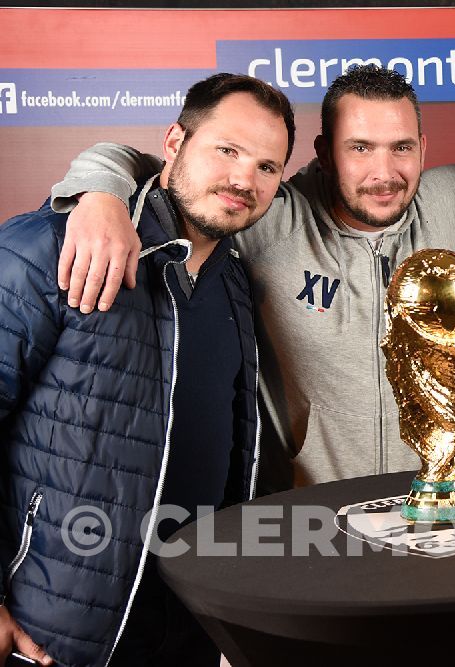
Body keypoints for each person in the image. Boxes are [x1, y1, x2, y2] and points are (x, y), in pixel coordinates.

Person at [49, 65, 455, 490]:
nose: (384, 172)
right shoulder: (269, 213)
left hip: (436, 513)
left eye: (401, 148)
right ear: (322, 150)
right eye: (359, 148)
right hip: (309, 517)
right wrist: (99, 195)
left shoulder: (450, 195)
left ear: (423, 146)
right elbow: (156, 165)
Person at [0, 73, 294, 666]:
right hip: (58, 634)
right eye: (228, 151)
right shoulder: (52, 247)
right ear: (174, 141)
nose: (244, 180)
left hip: (190, 626)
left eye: (268, 167)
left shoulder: (235, 283)